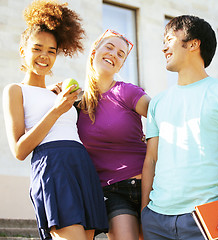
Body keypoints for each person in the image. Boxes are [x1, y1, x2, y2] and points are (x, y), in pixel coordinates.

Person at [2, 1, 108, 240]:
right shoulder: (15, 90)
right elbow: (19, 150)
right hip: (53, 165)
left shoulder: (57, 93)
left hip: (81, 164)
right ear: (23, 50)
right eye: (37, 48)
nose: (44, 56)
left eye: (51, 51)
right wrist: (57, 110)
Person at [141, 15, 218, 240]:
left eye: (169, 39)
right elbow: (151, 159)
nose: (164, 48)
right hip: (156, 219)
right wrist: (144, 212)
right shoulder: (158, 103)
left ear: (193, 44)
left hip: (205, 218)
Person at [76, 29, 151, 240]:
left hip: (150, 186)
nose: (114, 54)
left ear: (121, 65)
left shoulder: (127, 91)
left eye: (121, 54)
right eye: (109, 47)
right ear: (94, 51)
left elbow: (162, 117)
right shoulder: (75, 104)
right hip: (112, 192)